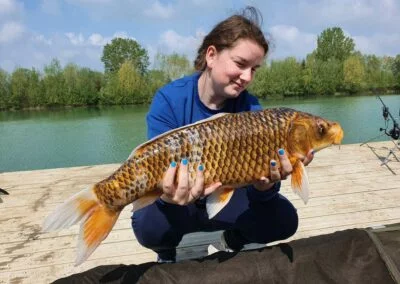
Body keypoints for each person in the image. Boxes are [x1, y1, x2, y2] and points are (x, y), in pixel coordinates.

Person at [131, 6, 314, 263]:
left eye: (254, 69)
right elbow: (154, 167)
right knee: (147, 225)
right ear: (211, 55)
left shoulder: (251, 109)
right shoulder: (170, 99)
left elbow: (261, 188)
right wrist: (169, 197)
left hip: (227, 201)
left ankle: (232, 240)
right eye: (240, 64)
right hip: (181, 204)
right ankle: (167, 251)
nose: (247, 76)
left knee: (284, 219)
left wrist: (266, 187)